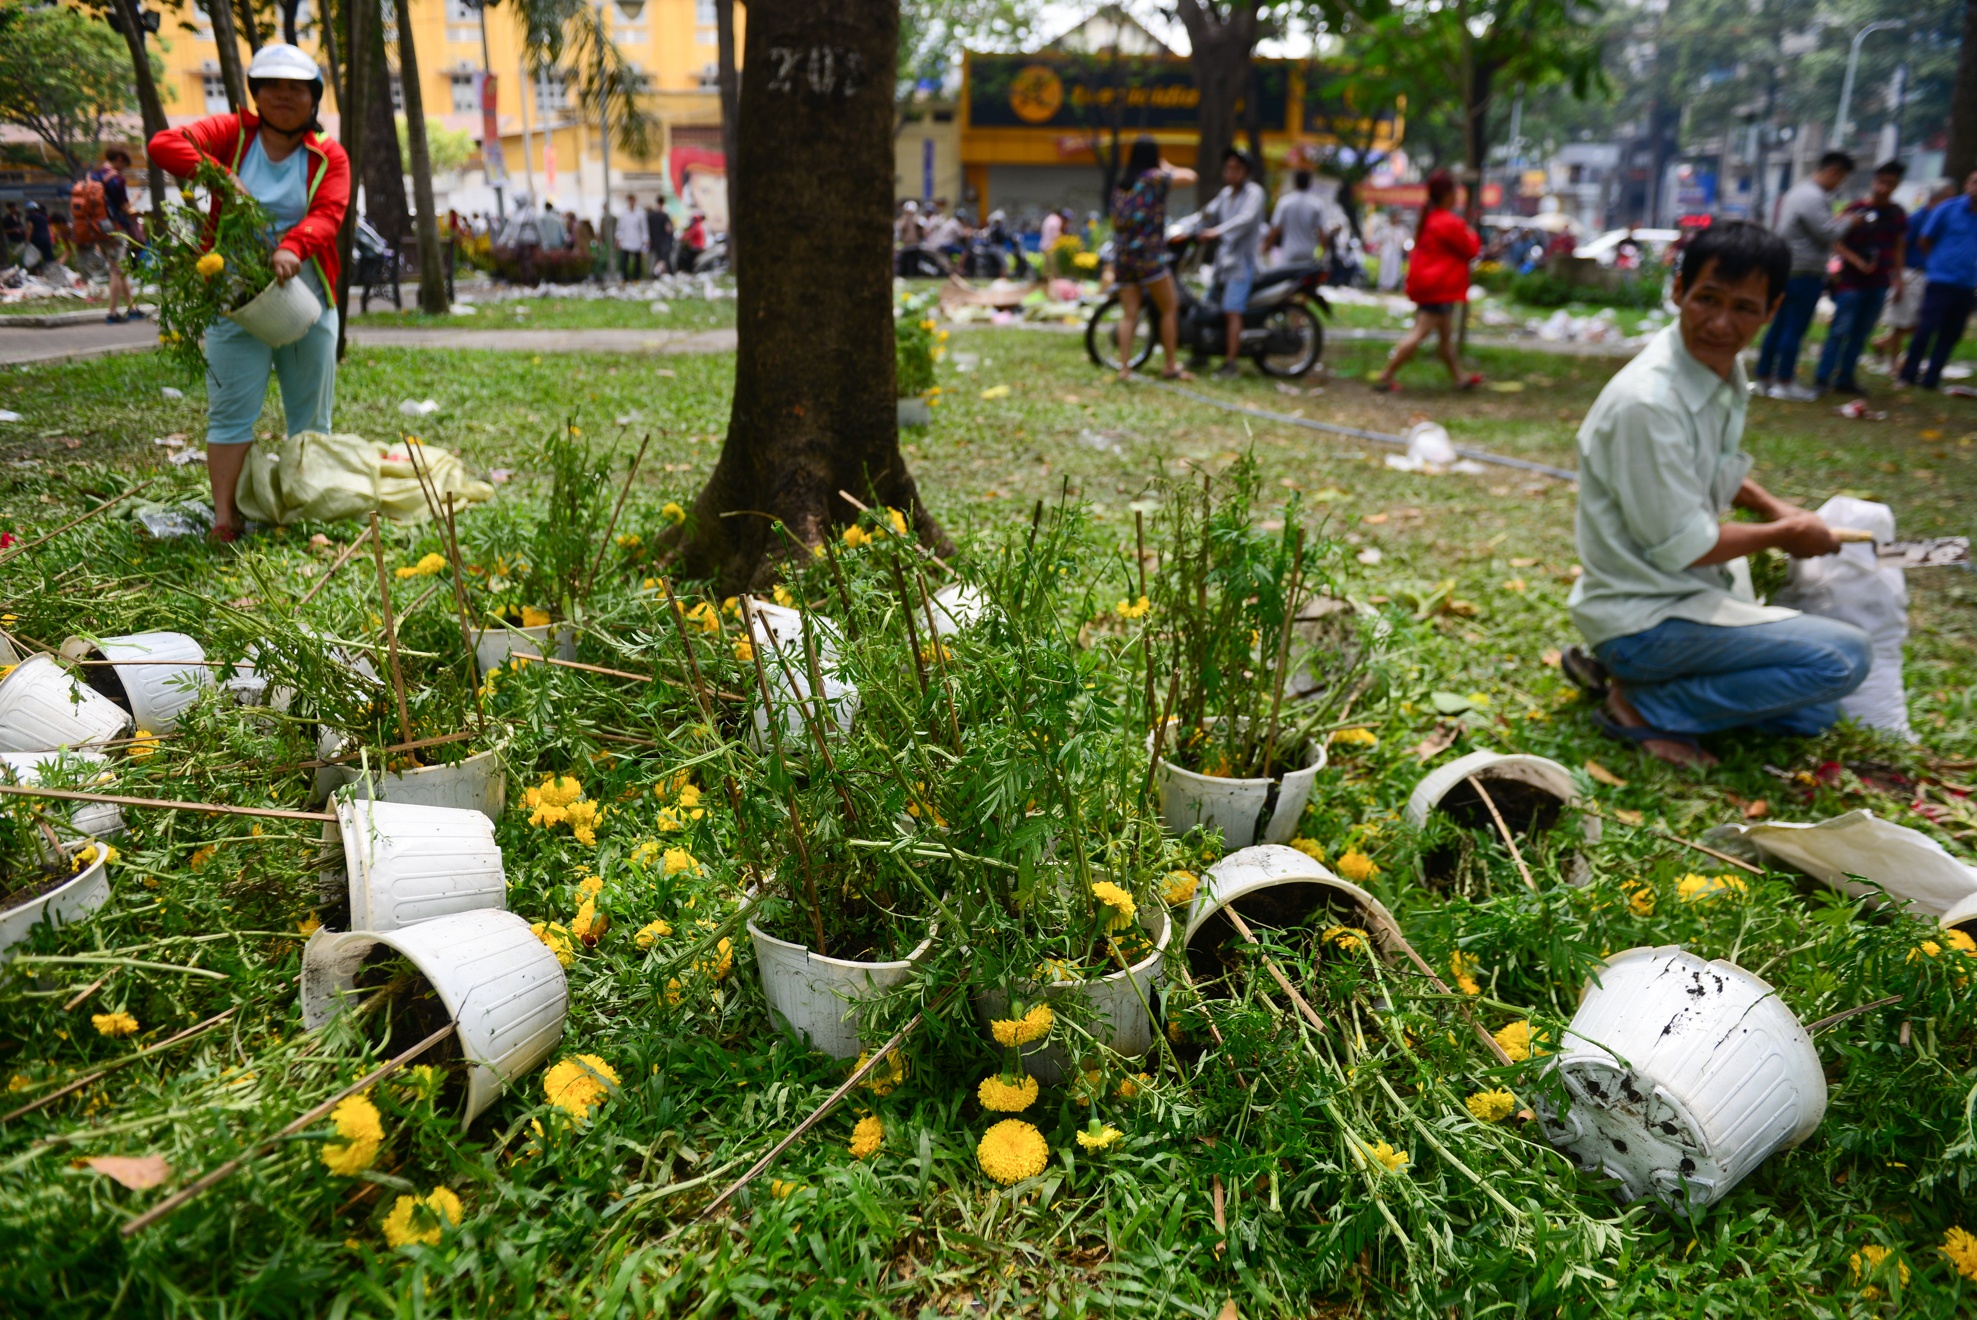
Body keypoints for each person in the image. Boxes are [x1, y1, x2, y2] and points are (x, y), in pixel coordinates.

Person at [1559, 220, 1867, 768]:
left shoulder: (1714, 369)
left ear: (1773, 310)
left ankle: (1628, 680)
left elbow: (1705, 466)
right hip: (1645, 616)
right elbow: (1686, 546)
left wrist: (1771, 506)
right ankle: (1643, 702)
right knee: (1844, 661)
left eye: (1745, 308)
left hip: (1686, 595)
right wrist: (1787, 533)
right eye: (1707, 299)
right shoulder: (1648, 401)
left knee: (1816, 715)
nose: (1722, 323)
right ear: (1678, 290)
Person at [149, 42, 349, 545]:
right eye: (272, 86)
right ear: (255, 94)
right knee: (231, 410)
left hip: (306, 297)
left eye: (297, 88)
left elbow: (329, 212)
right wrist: (223, 179)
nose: (284, 96)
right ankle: (226, 518)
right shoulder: (231, 134)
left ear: (314, 99)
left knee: (310, 415)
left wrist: (293, 246)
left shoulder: (329, 155)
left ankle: (307, 509)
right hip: (231, 300)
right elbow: (163, 145)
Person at [1754, 150, 1855, 400]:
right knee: (1794, 328)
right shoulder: (1813, 196)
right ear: (1833, 171)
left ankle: (1764, 377)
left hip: (1788, 268)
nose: (1839, 185)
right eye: (1841, 178)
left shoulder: (1798, 192)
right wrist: (1850, 222)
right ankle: (1784, 381)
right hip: (1804, 271)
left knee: (1778, 326)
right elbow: (1828, 234)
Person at [1371, 170, 1482, 393]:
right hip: (1438, 287)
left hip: (1433, 285)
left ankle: (1459, 377)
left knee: (1444, 339)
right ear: (1448, 194)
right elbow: (1471, 248)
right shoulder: (1447, 222)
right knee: (1419, 334)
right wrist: (1470, 228)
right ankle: (1386, 374)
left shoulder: (1431, 219)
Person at [1108, 134, 1197, 383]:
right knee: (1169, 307)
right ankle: (1170, 365)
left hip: (1124, 256)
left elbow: (1115, 221)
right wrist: (1167, 167)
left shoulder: (1122, 186)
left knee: (1129, 314)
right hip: (1149, 256)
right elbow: (1191, 177)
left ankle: (1124, 369)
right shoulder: (1154, 178)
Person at [1814, 160, 1905, 396]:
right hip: (1851, 282)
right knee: (1839, 331)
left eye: (1890, 184)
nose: (1883, 188)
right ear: (1874, 182)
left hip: (1879, 282)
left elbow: (1898, 247)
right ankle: (1823, 377)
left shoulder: (1897, 214)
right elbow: (1835, 241)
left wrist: (1899, 278)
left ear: (1896, 186)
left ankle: (1845, 378)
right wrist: (1856, 261)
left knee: (1861, 333)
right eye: (1881, 182)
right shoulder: (1854, 209)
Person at [1899, 169, 1977, 391]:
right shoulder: (1948, 209)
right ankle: (1908, 373)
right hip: (1941, 279)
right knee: (1926, 328)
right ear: (1966, 184)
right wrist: (1935, 263)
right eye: (1974, 182)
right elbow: (1925, 239)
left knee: (1951, 334)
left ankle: (1932, 377)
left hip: (1967, 282)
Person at [1199, 148, 1265, 379]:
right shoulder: (1225, 195)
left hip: (1242, 264)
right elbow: (1204, 215)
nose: (1231, 173)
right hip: (1222, 264)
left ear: (1245, 171)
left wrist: (1216, 231)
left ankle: (1231, 363)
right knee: (1204, 306)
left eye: (1236, 168)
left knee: (1232, 312)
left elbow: (1245, 219)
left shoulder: (1254, 193)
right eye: (1228, 168)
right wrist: (1179, 229)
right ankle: (1201, 353)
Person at [1877, 179, 1955, 375]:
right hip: (1912, 272)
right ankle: (1894, 364)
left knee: (1924, 322)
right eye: (1948, 198)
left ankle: (1882, 343)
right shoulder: (1918, 218)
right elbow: (1901, 246)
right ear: (1937, 198)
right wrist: (1898, 277)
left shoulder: (1942, 218)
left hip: (1930, 275)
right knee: (1901, 321)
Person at [88, 149, 143, 323]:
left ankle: (132, 307)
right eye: (124, 165)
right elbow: (124, 207)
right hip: (115, 229)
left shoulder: (93, 176)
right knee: (116, 271)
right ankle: (112, 313)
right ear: (119, 159)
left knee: (121, 268)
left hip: (98, 229)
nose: (124, 170)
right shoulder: (116, 180)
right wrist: (135, 201)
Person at [1265, 169, 1326, 268]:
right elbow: (1322, 233)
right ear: (1309, 183)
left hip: (1289, 252)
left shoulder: (1285, 202)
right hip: (1308, 253)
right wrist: (1324, 253)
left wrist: (1266, 248)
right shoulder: (1316, 204)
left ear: (1295, 182)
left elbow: (1275, 229)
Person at [614, 193, 647, 281]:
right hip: (626, 239)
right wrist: (618, 238)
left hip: (637, 239)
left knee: (637, 260)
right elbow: (620, 227)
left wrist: (645, 238)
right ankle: (625, 278)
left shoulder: (640, 213)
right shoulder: (623, 213)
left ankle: (636, 278)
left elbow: (644, 228)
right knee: (624, 260)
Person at [647, 198, 673, 275]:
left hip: (653, 241)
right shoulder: (665, 216)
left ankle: (654, 274)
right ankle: (663, 273)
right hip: (663, 242)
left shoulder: (651, 215)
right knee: (664, 259)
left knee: (655, 259)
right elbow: (668, 229)